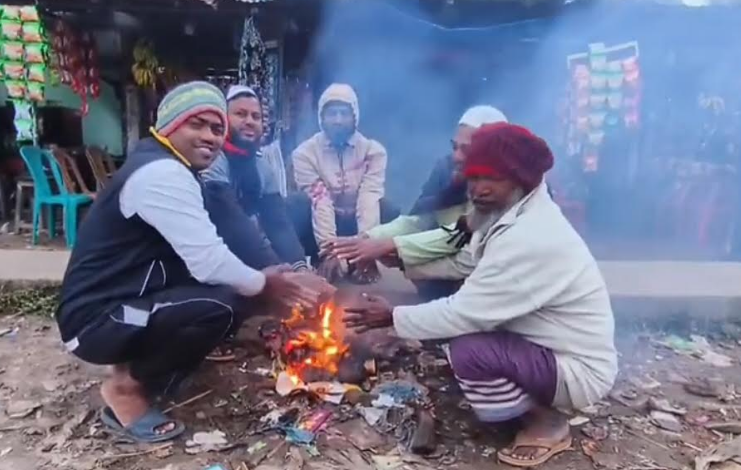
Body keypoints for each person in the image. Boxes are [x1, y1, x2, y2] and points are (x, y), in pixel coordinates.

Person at [55, 82, 322, 444]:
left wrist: (288, 273)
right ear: (167, 125)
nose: (210, 137)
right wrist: (267, 283)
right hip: (93, 322)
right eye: (196, 124)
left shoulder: (177, 168)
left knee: (236, 292)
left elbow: (247, 231)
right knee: (221, 304)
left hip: (120, 300)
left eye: (216, 129)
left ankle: (137, 364)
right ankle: (125, 389)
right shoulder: (162, 174)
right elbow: (209, 261)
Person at [345, 123, 617, 467]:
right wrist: (400, 258)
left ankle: (547, 423)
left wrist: (390, 317)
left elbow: (463, 313)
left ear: (519, 179)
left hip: (578, 368)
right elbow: (465, 260)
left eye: (491, 179)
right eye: (473, 178)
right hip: (552, 348)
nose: (478, 189)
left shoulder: (531, 236)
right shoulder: (510, 211)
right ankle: (522, 396)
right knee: (466, 340)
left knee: (468, 350)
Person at [325, 106, 508, 300]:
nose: (457, 157)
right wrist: (366, 238)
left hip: (493, 281)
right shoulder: (447, 170)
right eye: (455, 147)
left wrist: (396, 250)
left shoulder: (507, 187)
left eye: (467, 150)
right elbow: (419, 221)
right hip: (451, 260)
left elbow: (467, 249)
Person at [290, 83, 399, 281]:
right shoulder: (304, 154)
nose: (338, 120)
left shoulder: (373, 151)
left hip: (357, 221)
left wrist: (366, 248)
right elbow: (320, 202)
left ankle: (365, 263)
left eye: (344, 113)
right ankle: (317, 262)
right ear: (321, 118)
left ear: (354, 117)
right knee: (295, 205)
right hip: (321, 221)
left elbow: (369, 199)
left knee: (389, 210)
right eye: (331, 114)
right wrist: (329, 251)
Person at [202, 85, 308, 272]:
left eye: (255, 117)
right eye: (240, 114)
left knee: (297, 202)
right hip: (207, 250)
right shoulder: (212, 160)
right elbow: (231, 222)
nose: (249, 121)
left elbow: (278, 224)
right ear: (223, 120)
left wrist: (300, 266)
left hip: (246, 246)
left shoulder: (262, 166)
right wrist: (277, 269)